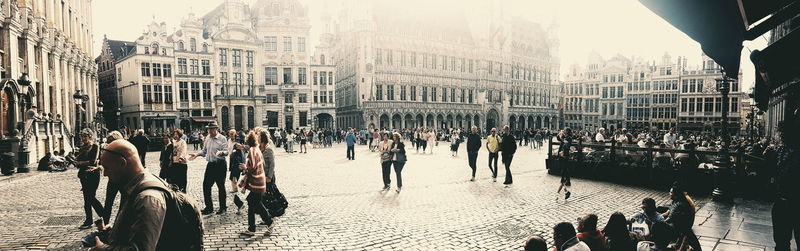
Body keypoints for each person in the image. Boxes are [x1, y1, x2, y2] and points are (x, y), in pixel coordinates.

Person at [91, 139, 202, 250]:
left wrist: (102, 249)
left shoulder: (148, 198)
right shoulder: (139, 185)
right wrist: (116, 231)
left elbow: (140, 248)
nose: (105, 174)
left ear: (122, 163)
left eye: (107, 168)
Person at [771, 117, 800, 251]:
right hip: (783, 202)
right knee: (782, 242)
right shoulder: (784, 152)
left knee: (782, 242)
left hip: (789, 202)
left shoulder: (788, 155)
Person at [189, 122, 230, 215]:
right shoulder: (207, 138)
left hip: (220, 164)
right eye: (209, 129)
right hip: (211, 165)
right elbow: (204, 151)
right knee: (206, 186)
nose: (210, 131)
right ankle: (209, 207)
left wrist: (221, 153)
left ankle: (223, 207)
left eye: (211, 129)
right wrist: (196, 154)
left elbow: (227, 152)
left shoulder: (222, 138)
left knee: (221, 186)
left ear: (216, 129)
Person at [239, 131, 273, 236]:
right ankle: (252, 228)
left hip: (257, 183)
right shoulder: (257, 149)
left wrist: (245, 167)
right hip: (260, 181)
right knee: (252, 203)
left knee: (256, 204)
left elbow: (252, 167)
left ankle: (269, 222)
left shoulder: (252, 151)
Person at [76, 129, 105, 229]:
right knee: (87, 199)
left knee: (90, 197)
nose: (84, 139)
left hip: (93, 174)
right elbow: (78, 159)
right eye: (82, 137)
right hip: (83, 175)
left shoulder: (95, 146)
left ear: (90, 136)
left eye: (85, 136)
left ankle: (103, 214)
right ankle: (89, 220)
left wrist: (81, 163)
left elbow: (93, 161)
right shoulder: (82, 148)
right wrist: (76, 162)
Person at [661, 183, 700, 251]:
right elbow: (669, 212)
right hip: (682, 228)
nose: (669, 193)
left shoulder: (679, 205)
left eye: (671, 192)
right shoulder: (677, 201)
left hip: (680, 228)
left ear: (676, 195)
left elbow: (668, 220)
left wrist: (658, 223)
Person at [228, 130, 246, 195]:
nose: (231, 135)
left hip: (236, 162)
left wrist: (241, 163)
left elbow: (242, 154)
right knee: (233, 176)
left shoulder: (237, 144)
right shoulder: (230, 141)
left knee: (234, 176)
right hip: (233, 160)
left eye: (232, 134)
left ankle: (236, 188)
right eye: (230, 134)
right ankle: (235, 188)